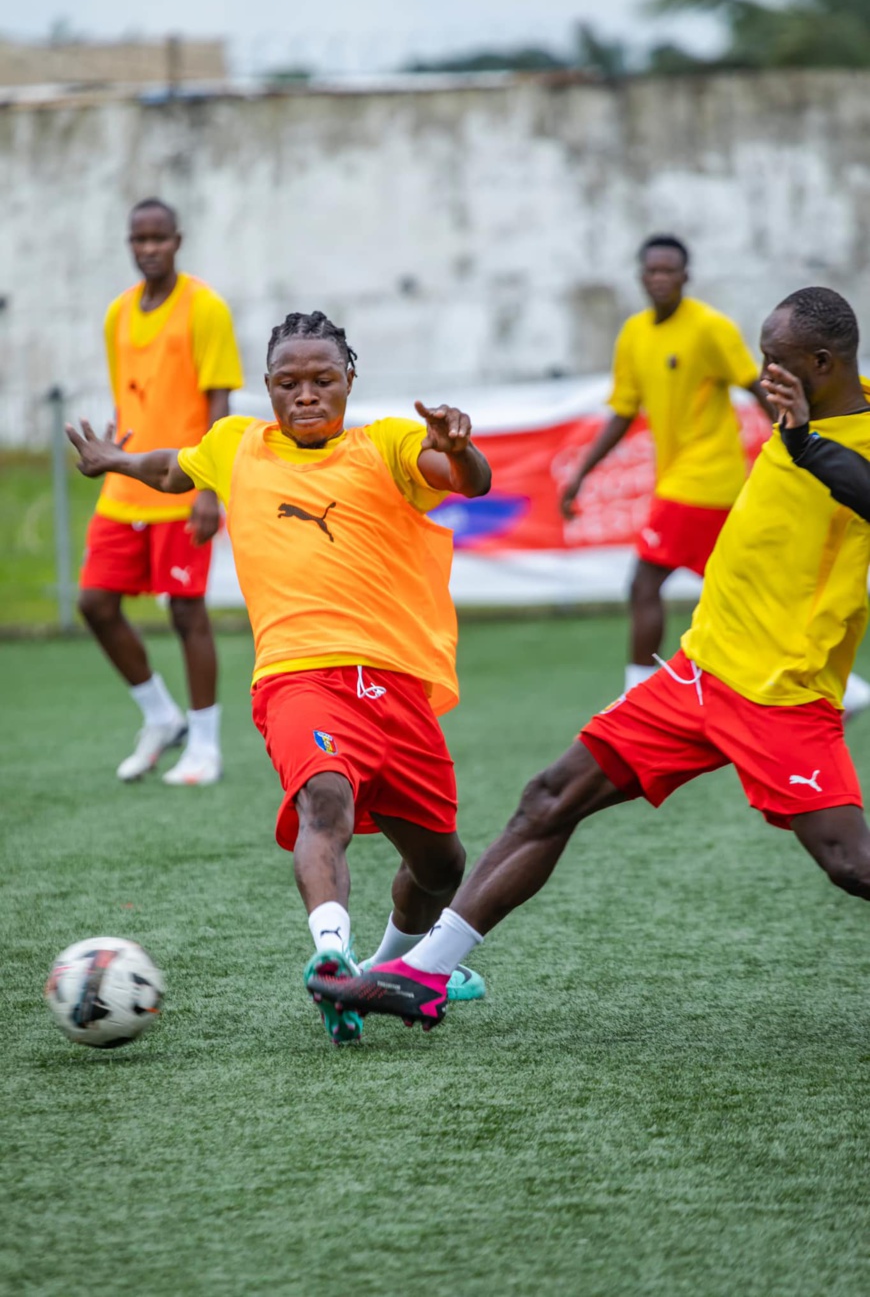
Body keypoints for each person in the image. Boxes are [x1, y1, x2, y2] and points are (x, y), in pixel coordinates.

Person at [308, 286, 870, 1030]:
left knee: (849, 862)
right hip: (698, 675)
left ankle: (423, 970)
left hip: (780, 694)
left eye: (778, 361)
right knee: (549, 797)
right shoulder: (799, 411)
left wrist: (799, 440)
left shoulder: (828, 432)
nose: (763, 373)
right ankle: (424, 974)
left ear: (824, 363)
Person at [66, 309, 492, 1043]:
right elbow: (174, 466)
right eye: (288, 382)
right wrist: (115, 461)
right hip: (298, 677)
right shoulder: (238, 443)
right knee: (323, 803)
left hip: (394, 685)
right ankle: (330, 953)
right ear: (266, 387)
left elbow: (465, 479)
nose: (305, 394)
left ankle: (381, 971)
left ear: (349, 380)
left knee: (440, 866)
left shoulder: (385, 443)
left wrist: (464, 449)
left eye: (323, 379)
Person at [561, 235, 774, 693]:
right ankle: (842, 688)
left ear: (685, 277)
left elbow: (754, 386)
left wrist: (799, 446)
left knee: (643, 582)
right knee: (739, 595)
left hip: (705, 478)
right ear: (641, 277)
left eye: (669, 271)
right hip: (684, 482)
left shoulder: (710, 328)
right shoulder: (635, 334)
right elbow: (622, 411)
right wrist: (580, 475)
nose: (660, 279)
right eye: (652, 271)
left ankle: (635, 695)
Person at [79, 197, 244, 786]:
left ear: (178, 240)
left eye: (159, 238)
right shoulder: (117, 314)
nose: (148, 249)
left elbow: (219, 400)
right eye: (138, 240)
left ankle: (205, 745)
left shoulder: (205, 308)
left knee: (185, 612)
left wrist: (208, 486)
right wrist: (110, 457)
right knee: (94, 603)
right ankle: (161, 717)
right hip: (127, 484)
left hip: (181, 484)